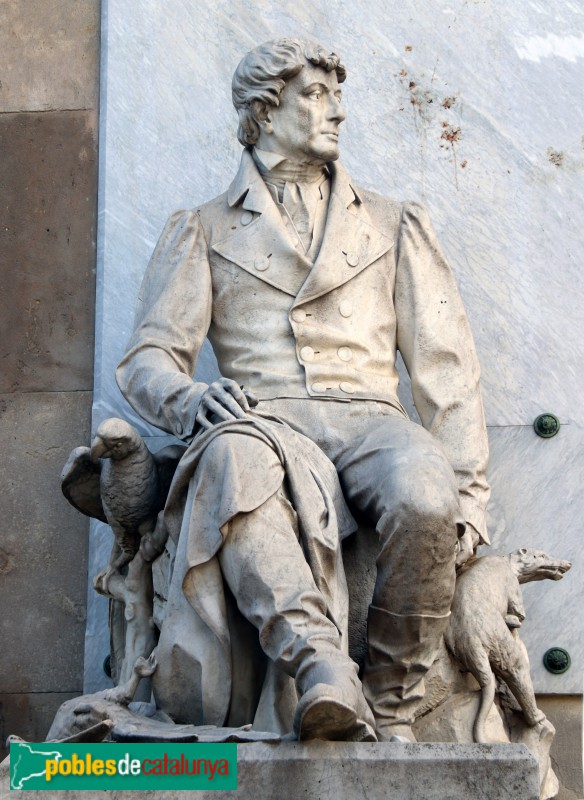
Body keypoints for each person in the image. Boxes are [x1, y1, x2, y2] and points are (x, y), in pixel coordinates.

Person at [116, 38, 490, 743]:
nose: (335, 112)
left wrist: (469, 494)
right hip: (268, 419)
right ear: (264, 111)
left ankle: (390, 700)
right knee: (230, 459)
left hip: (373, 419)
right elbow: (147, 360)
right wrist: (194, 400)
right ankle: (320, 666)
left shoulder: (391, 221)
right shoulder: (202, 229)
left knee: (427, 493)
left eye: (336, 96)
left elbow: (446, 370)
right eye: (313, 96)